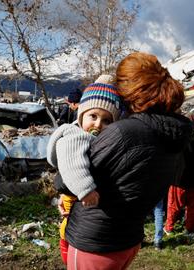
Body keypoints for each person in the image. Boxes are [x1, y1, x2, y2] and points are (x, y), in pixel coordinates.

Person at [61, 52, 192, 269]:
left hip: (96, 240)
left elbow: (67, 180)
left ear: (131, 90)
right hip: (129, 238)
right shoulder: (174, 132)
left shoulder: (124, 132)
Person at [47, 75, 122, 265]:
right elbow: (73, 163)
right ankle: (68, 256)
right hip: (79, 194)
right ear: (81, 116)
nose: (98, 124)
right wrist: (85, 189)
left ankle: (68, 256)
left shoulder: (92, 137)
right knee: (67, 229)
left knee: (67, 226)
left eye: (106, 120)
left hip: (78, 199)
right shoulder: (76, 136)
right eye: (93, 116)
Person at [164, 109, 194, 242]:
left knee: (174, 205)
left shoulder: (180, 137)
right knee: (193, 207)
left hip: (180, 177)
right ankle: (189, 229)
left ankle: (169, 227)